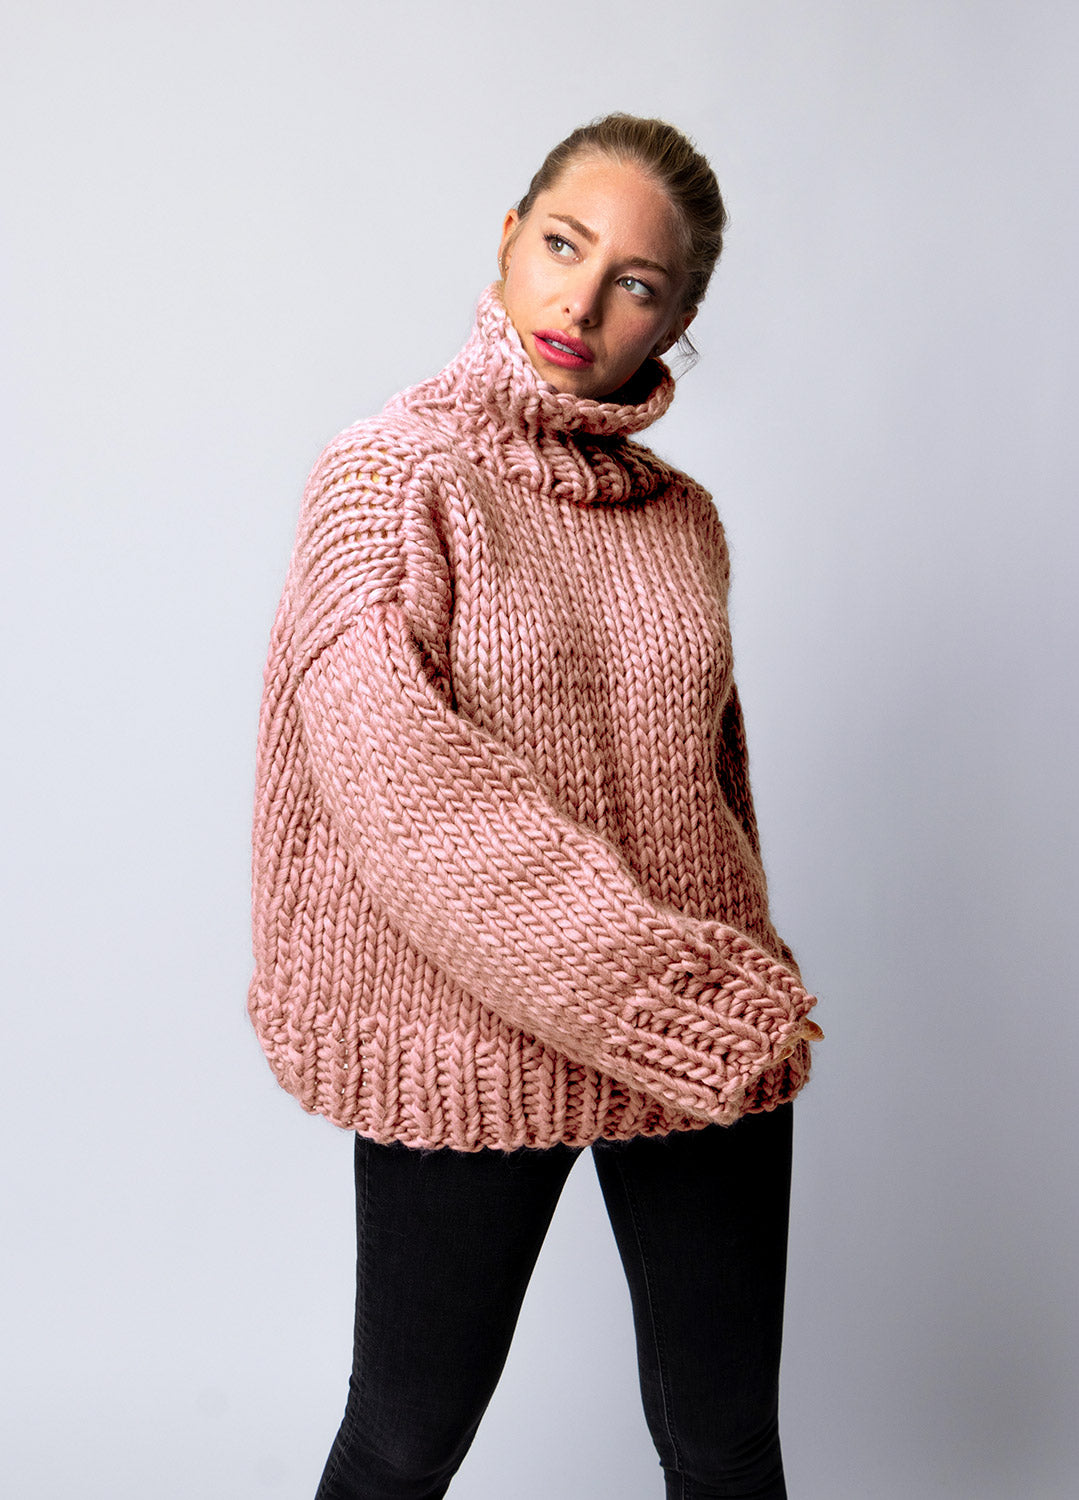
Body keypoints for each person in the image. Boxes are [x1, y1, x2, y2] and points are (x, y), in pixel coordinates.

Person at [248, 112, 823, 1500]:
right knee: (402, 1446)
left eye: (637, 282)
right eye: (564, 245)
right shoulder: (388, 477)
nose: (583, 300)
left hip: (700, 1041)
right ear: (508, 241)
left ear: (675, 322)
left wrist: (723, 988)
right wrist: (675, 995)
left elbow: (708, 786)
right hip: (482, 1030)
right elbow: (405, 795)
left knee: (728, 1447)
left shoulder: (683, 519)